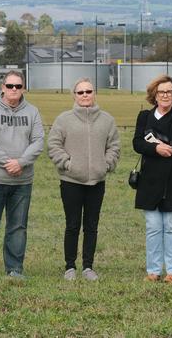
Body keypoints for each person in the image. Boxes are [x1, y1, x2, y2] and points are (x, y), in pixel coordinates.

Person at [48, 78, 120, 281]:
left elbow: (114, 145)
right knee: (72, 225)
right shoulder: (64, 119)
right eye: (80, 92)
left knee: (91, 225)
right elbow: (53, 145)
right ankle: (69, 266)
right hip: (71, 181)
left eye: (88, 91)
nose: (85, 95)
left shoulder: (107, 120)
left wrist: (106, 165)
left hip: (97, 182)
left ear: (94, 93)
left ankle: (88, 266)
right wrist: (68, 164)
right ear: (74, 95)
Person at [0, 69, 44, 279]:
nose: (14, 90)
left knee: (18, 226)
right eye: (10, 86)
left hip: (22, 180)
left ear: (23, 88)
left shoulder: (32, 112)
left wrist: (21, 162)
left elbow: (39, 140)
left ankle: (14, 269)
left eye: (18, 86)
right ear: (2, 87)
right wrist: (8, 163)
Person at [133, 75, 172, 284]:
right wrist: (155, 148)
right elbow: (137, 144)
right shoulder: (144, 116)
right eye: (161, 92)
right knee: (153, 226)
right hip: (150, 181)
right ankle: (153, 270)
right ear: (154, 95)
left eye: (169, 92)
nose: (165, 95)